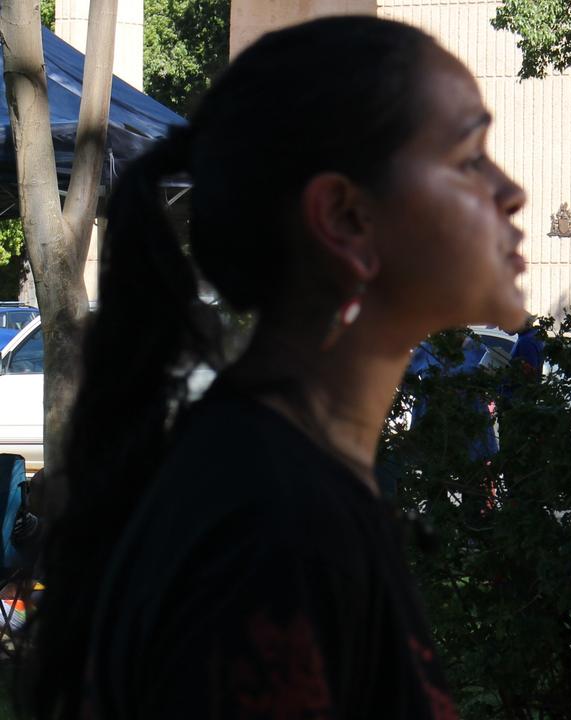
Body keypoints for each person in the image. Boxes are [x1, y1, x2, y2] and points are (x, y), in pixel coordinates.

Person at [23, 16, 527, 720]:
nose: (513, 192)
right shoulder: (271, 530)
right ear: (345, 218)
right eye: (471, 159)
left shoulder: (282, 482)